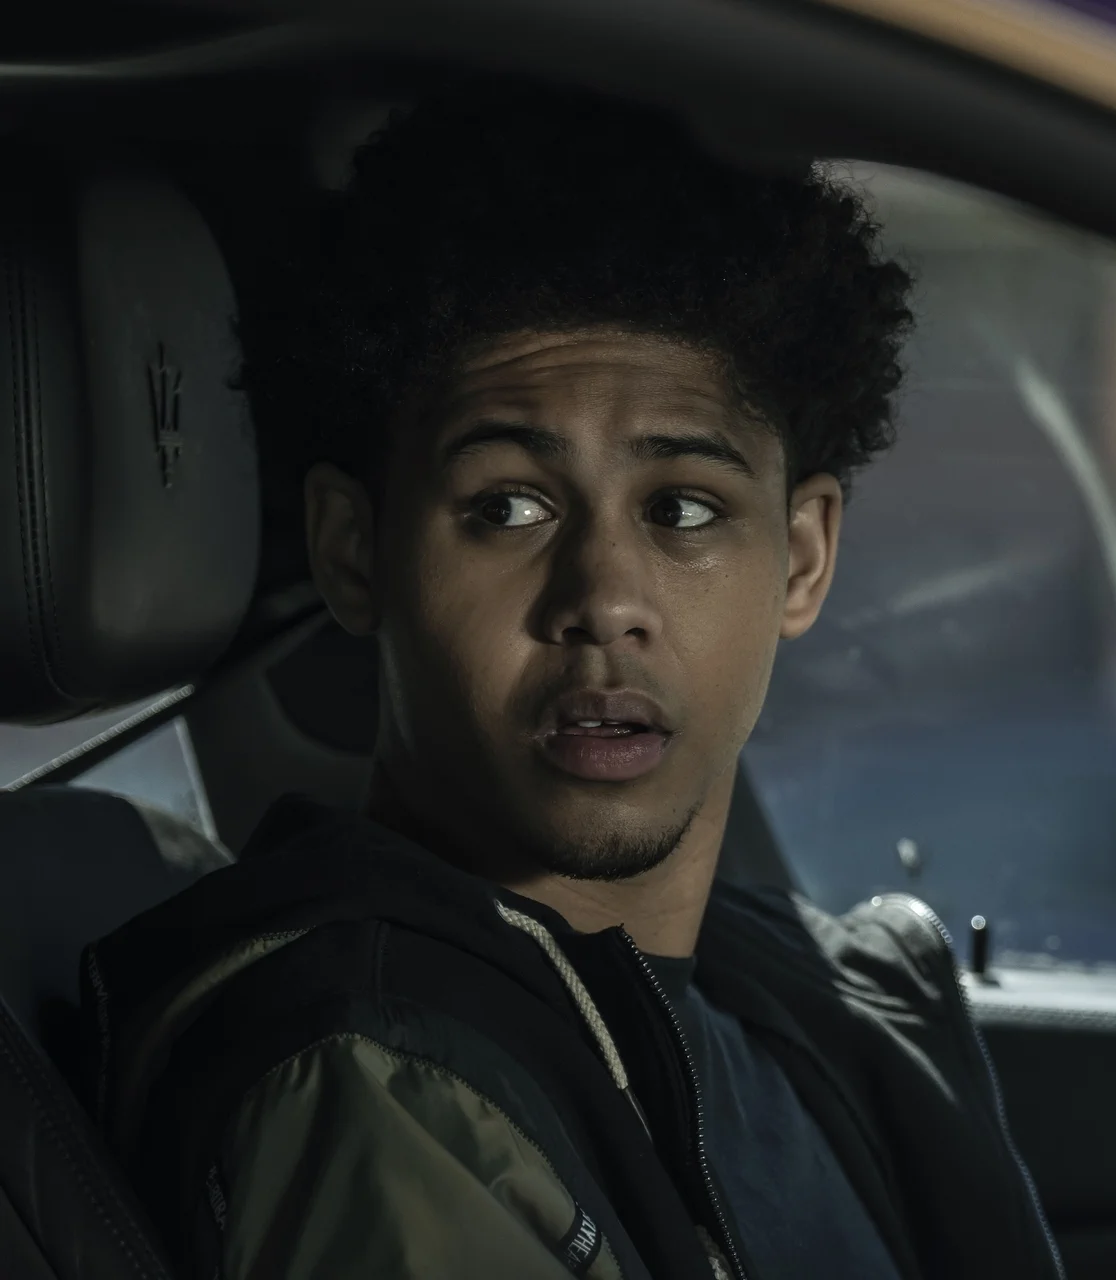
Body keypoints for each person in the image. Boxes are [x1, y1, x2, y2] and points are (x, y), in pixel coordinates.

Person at [84, 87, 1060, 1280]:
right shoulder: (379, 1079)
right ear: (354, 550)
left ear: (802, 558)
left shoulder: (800, 1000)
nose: (602, 596)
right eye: (508, 506)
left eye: (683, 509)